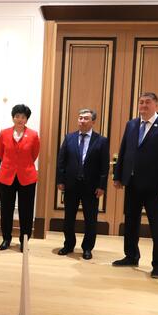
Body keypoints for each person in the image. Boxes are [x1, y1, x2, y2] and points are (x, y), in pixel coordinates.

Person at [112, 92, 158, 278]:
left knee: (157, 227)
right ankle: (131, 256)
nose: (143, 105)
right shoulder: (132, 124)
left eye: (148, 102)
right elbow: (123, 150)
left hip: (155, 187)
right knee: (131, 223)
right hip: (132, 183)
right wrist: (118, 175)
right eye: (141, 102)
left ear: (156, 105)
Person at [56, 108, 109, 259]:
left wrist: (102, 186)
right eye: (80, 118)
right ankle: (68, 245)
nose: (82, 121)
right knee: (69, 218)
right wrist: (60, 180)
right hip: (71, 185)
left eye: (86, 118)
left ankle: (87, 248)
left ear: (93, 121)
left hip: (91, 186)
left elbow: (104, 166)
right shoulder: (69, 138)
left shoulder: (101, 141)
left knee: (90, 219)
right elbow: (61, 161)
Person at [0, 104, 41, 252]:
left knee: (26, 211)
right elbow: (0, 153)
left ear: (27, 119)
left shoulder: (33, 135)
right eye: (17, 116)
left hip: (27, 177)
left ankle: (24, 240)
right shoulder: (4, 133)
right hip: (7, 176)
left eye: (23, 117)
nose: (20, 119)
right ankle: (6, 238)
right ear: (13, 118)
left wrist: (22, 165)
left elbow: (34, 154)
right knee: (6, 210)